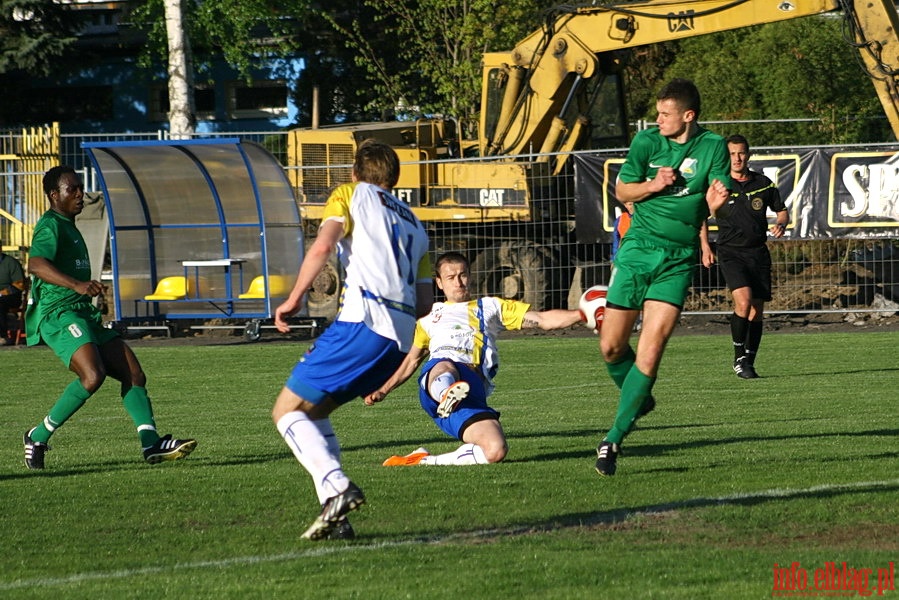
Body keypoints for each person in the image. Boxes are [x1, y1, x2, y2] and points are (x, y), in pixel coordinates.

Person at [271, 139, 433, 541]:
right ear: (394, 179)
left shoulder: (350, 194)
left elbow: (324, 245)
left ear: (356, 173)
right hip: (397, 340)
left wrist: (293, 299)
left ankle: (339, 487)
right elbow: (426, 302)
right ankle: (337, 515)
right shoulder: (416, 223)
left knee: (286, 411)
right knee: (315, 413)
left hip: (363, 322)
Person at [594, 78, 731, 477]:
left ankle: (612, 439)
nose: (657, 120)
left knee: (651, 350)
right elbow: (622, 190)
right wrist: (655, 184)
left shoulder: (713, 146)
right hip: (638, 252)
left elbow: (712, 203)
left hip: (677, 259)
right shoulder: (646, 144)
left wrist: (716, 206)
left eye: (664, 114)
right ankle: (638, 399)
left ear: (688, 116)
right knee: (611, 348)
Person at [23, 166, 197, 470]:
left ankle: (151, 444)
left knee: (133, 374)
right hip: (58, 314)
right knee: (92, 376)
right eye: (72, 189)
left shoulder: (71, 226)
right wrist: (77, 285)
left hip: (80, 312)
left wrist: (87, 288)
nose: (80, 194)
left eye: (80, 187)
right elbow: (36, 264)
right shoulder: (50, 225)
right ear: (54, 195)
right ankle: (38, 436)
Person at [365, 252, 585, 467]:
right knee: (445, 364)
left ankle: (422, 460)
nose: (459, 282)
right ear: (439, 283)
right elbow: (412, 360)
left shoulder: (490, 307)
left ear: (469, 276)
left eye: (462, 275)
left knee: (495, 450)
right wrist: (384, 389)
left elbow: (541, 319)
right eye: (451, 278)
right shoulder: (429, 318)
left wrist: (582, 314)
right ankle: (445, 394)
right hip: (439, 379)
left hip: (471, 391)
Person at [707, 134, 788, 379]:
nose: (737, 158)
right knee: (742, 302)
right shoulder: (719, 185)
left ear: (748, 154)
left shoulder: (763, 184)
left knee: (756, 311)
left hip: (758, 252)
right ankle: (738, 357)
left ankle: (749, 361)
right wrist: (704, 247)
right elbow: (701, 215)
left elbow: (782, 211)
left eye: (741, 153)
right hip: (730, 252)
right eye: (732, 153)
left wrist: (781, 224)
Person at [0, 239, 26, 345]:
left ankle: (3, 336)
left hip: (11, 297)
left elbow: (20, 284)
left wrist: (2, 293)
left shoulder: (11, 262)